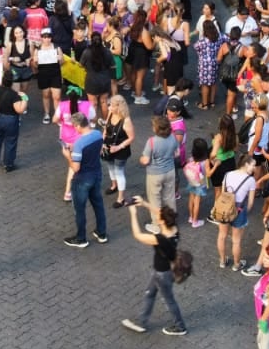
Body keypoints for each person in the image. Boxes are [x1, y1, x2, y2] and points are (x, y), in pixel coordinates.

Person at [120, 201, 188, 337]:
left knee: (169, 300)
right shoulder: (174, 229)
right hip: (165, 271)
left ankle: (180, 326)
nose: (157, 217)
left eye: (159, 218)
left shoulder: (160, 239)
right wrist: (143, 203)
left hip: (162, 274)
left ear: (163, 222)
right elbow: (161, 213)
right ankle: (142, 322)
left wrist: (133, 214)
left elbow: (138, 235)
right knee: (150, 293)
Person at [63, 114, 109, 248]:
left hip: (82, 178)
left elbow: (76, 168)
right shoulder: (98, 134)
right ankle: (102, 233)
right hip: (96, 174)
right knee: (98, 204)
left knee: (80, 209)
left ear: (78, 126)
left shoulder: (79, 144)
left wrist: (68, 156)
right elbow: (99, 151)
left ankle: (81, 238)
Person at [0, 73, 27, 172]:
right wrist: (25, 98)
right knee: (10, 141)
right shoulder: (14, 95)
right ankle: (8, 164)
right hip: (10, 121)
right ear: (12, 83)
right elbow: (19, 110)